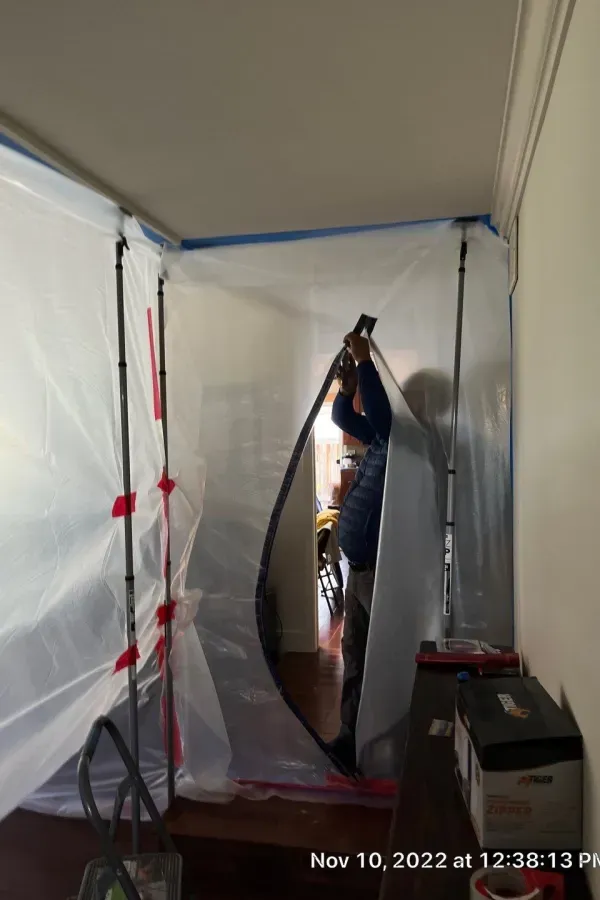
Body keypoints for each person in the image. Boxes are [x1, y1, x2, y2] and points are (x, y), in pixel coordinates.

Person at [328, 332, 392, 771]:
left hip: (379, 575)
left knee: (376, 658)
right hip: (359, 570)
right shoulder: (379, 440)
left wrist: (366, 359)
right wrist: (348, 388)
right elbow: (341, 417)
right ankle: (350, 739)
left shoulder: (399, 438)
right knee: (353, 654)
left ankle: (379, 739)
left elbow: (382, 418)